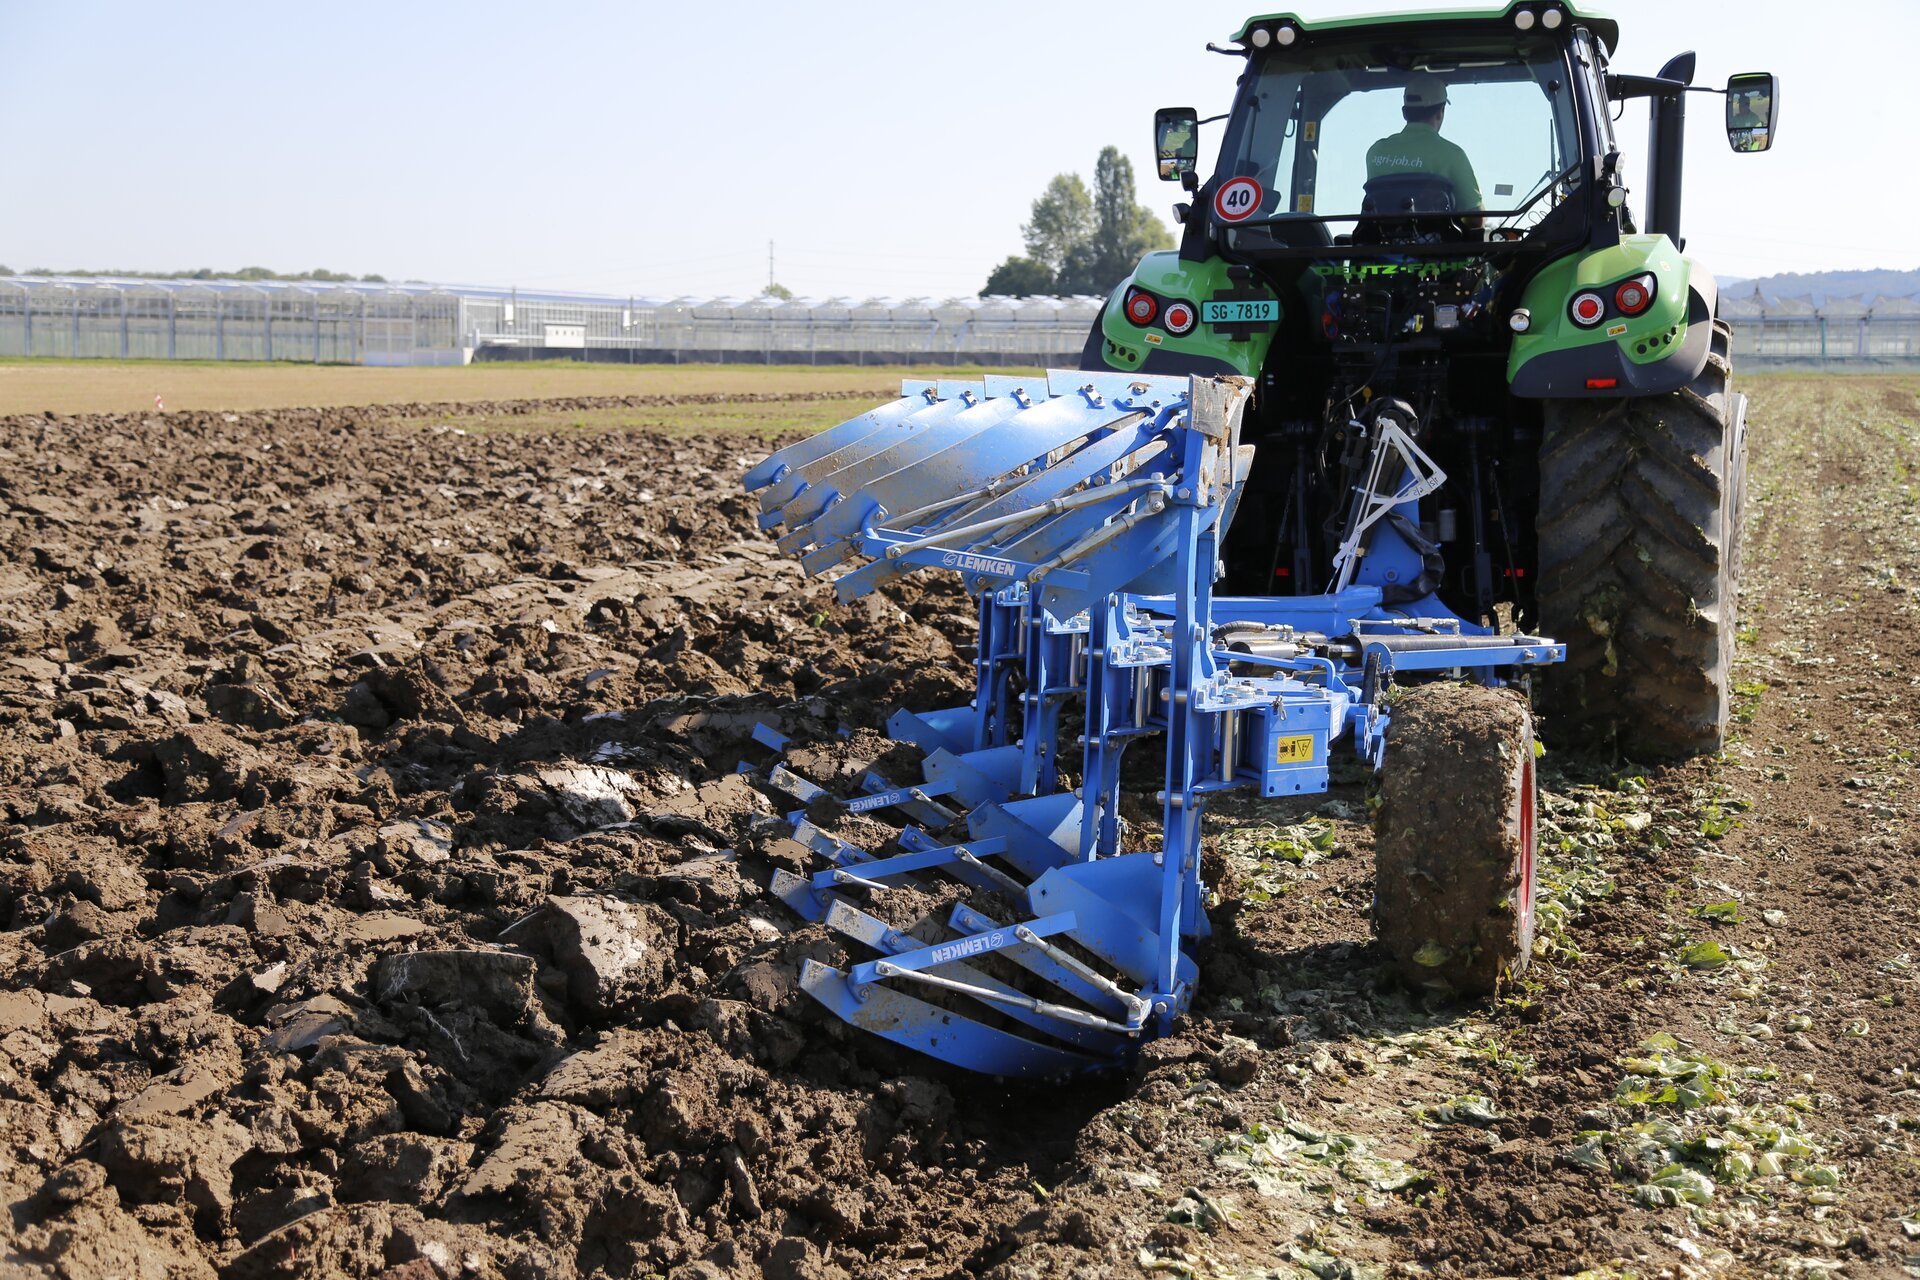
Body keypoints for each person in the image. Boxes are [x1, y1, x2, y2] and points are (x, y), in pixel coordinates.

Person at [1366, 73, 1483, 225]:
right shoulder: (1452, 154)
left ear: (1404, 112)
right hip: (1436, 247)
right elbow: (1475, 220)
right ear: (1440, 112)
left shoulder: (1375, 152)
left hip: (1384, 246)